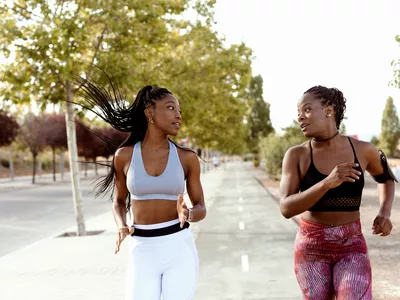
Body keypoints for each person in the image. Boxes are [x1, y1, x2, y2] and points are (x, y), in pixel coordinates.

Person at [75, 74, 207, 300]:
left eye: (179, 110)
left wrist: (189, 213)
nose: (178, 115)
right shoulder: (124, 156)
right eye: (171, 107)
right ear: (149, 113)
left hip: (179, 246)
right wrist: (121, 226)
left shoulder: (187, 158)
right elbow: (118, 201)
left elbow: (201, 207)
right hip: (142, 248)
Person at [279, 85, 397, 299]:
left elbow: (386, 178)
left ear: (329, 110)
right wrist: (327, 183)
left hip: (351, 244)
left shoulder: (363, 150)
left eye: (306, 110)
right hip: (311, 247)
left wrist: (385, 212)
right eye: (298, 114)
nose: (300, 118)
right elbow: (286, 208)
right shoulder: (296, 155)